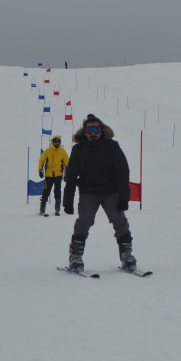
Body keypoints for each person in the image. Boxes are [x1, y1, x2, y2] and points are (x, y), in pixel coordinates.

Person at [62, 114, 136, 272]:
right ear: (85, 132)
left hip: (111, 191)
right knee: (84, 221)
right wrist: (67, 201)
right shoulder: (78, 150)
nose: (93, 133)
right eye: (89, 130)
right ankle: (75, 256)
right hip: (89, 191)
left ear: (102, 131)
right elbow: (71, 176)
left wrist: (124, 197)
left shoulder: (112, 146)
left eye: (96, 129)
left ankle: (126, 254)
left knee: (119, 221)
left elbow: (122, 172)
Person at [38, 135, 70, 216]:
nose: (56, 143)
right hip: (48, 175)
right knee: (46, 191)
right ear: (52, 142)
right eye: (55, 141)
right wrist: (40, 171)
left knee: (57, 191)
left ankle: (57, 209)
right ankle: (42, 209)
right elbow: (42, 160)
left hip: (58, 175)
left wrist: (66, 175)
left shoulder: (63, 152)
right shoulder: (48, 151)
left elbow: (67, 164)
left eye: (58, 141)